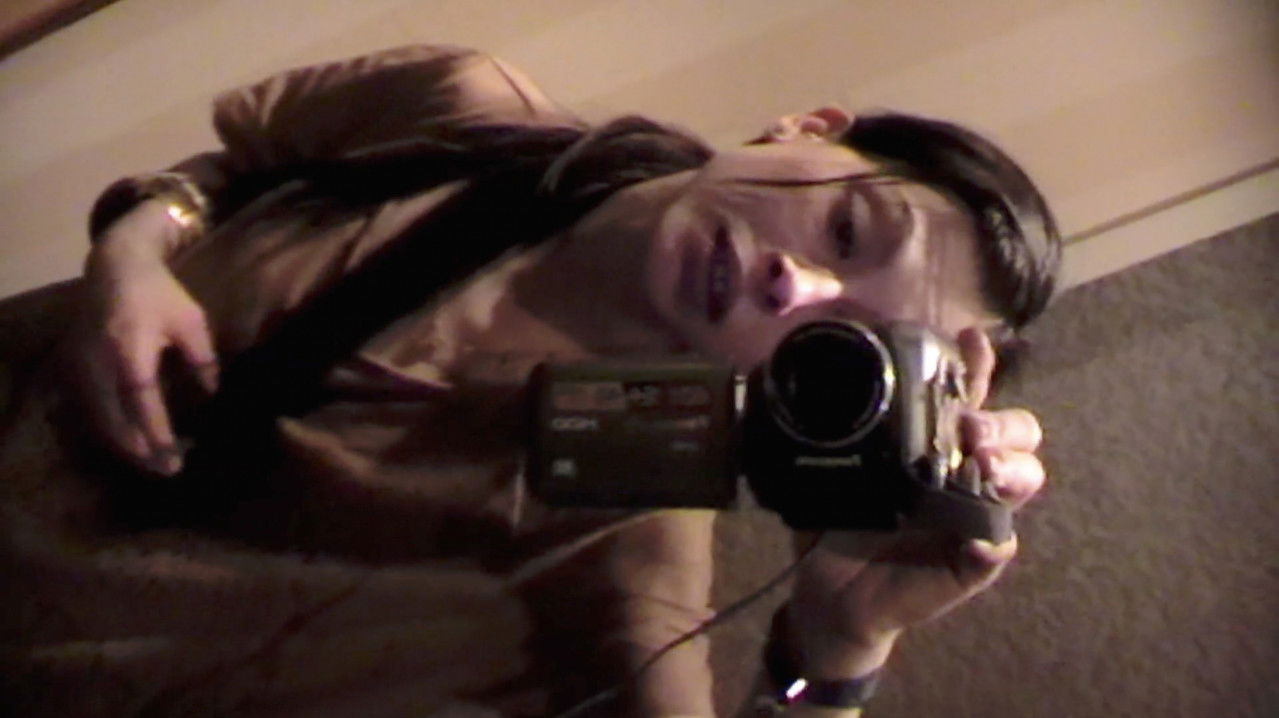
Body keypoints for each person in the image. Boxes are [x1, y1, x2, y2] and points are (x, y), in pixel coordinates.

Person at [0, 44, 1057, 717]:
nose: (796, 283)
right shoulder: (467, 109)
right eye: (846, 228)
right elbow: (236, 165)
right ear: (807, 130)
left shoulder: (618, 542)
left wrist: (837, 648)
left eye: (844, 340)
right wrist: (137, 247)